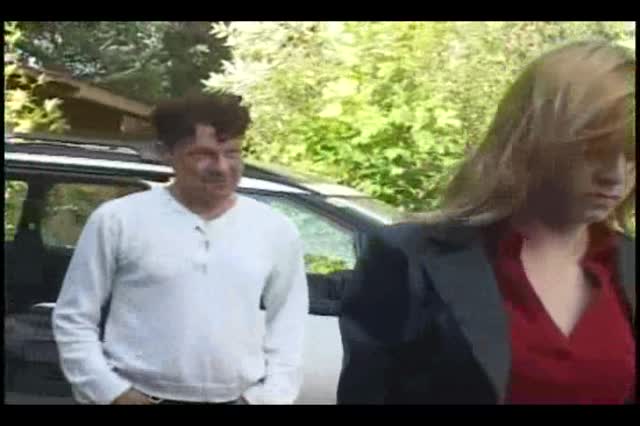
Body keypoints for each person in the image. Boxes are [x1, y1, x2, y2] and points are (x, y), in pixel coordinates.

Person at [337, 40, 635, 404]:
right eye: (596, 151)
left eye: (631, 155)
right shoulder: (411, 259)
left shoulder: (626, 267)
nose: (615, 176)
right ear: (532, 137)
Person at [53, 94, 309, 405]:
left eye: (232, 153)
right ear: (167, 154)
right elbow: (74, 317)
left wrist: (269, 398)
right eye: (203, 154)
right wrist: (111, 392)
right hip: (136, 396)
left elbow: (289, 325)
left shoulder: (274, 229)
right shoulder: (118, 220)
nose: (222, 167)